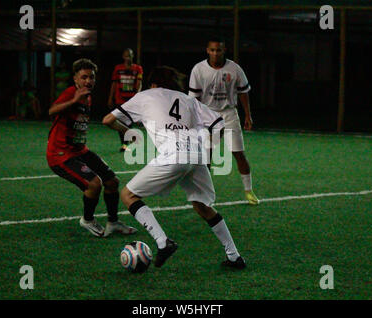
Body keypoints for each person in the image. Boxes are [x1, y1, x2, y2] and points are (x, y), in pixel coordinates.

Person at [103, 66, 246, 270]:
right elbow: (218, 124)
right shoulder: (188, 99)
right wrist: (207, 151)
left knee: (128, 195)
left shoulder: (145, 95)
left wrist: (129, 132)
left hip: (173, 155)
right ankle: (234, 256)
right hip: (196, 154)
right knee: (202, 206)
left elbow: (108, 120)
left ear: (152, 84)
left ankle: (163, 242)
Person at [47, 58, 137, 238]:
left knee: (112, 181)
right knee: (93, 184)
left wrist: (127, 132)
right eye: (84, 77)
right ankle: (87, 220)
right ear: (75, 79)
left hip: (80, 150)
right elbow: (51, 111)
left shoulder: (87, 96)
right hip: (61, 154)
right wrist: (73, 100)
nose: (88, 81)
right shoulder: (72, 93)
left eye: (92, 77)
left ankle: (113, 222)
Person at [188, 38, 259, 206]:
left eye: (218, 50)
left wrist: (248, 115)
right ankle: (204, 194)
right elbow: (194, 99)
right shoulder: (198, 69)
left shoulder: (234, 69)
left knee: (238, 153)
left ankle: (249, 191)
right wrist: (194, 120)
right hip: (206, 115)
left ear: (224, 50)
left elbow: (243, 92)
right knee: (206, 157)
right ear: (207, 50)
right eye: (212, 50)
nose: (215, 53)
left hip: (229, 114)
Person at [107, 48, 143, 152]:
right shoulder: (118, 68)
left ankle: (128, 142)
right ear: (123, 57)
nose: (128, 57)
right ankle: (124, 144)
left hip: (131, 100)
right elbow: (114, 83)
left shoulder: (138, 68)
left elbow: (139, 83)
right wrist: (110, 98)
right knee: (120, 122)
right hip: (119, 99)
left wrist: (137, 95)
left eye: (130, 55)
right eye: (126, 55)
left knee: (128, 122)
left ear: (133, 57)